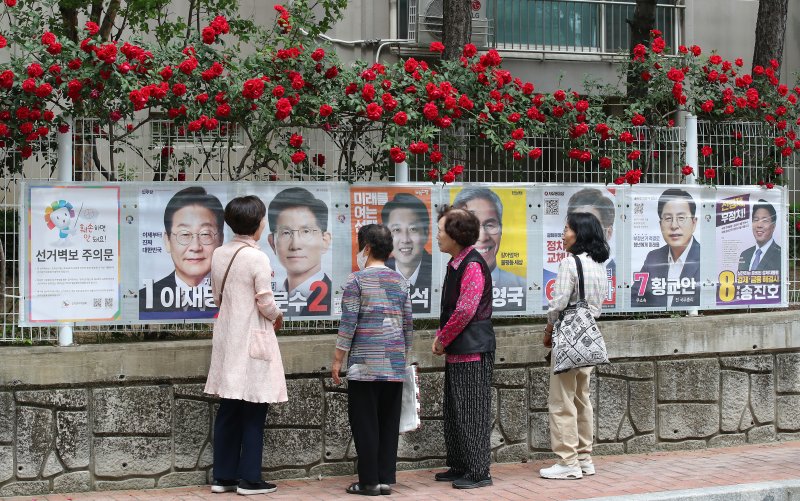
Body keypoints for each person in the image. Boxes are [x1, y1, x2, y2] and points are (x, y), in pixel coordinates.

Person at [204, 195, 286, 496]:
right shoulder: (258, 257)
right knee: (254, 406)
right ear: (258, 223)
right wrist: (279, 317)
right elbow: (265, 301)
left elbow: (216, 297)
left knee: (228, 407)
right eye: (263, 217)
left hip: (228, 336)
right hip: (253, 336)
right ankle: (250, 479)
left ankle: (222, 476)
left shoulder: (219, 254)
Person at [331, 224, 413, 496]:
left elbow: (348, 324)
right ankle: (384, 479)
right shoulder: (401, 281)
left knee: (365, 423)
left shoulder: (357, 281)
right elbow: (408, 326)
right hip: (394, 364)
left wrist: (337, 360)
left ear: (365, 248)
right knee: (388, 422)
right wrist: (404, 357)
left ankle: (368, 482)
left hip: (364, 366)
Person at [540, 212, 609, 480]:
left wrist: (548, 331)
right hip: (588, 338)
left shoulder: (570, 263)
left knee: (561, 400)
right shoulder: (599, 265)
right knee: (582, 399)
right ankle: (584, 458)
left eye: (567, 229)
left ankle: (568, 462)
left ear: (579, 234)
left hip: (568, 338)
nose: (563, 234)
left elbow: (558, 304)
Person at [432, 206, 495, 490]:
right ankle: (460, 464)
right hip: (460, 348)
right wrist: (443, 336)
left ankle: (479, 471)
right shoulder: (457, 262)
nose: (436, 235)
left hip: (472, 348)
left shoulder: (471, 264)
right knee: (456, 409)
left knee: (472, 411)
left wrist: (443, 338)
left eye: (441, 230)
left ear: (455, 235)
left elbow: (466, 309)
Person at [139, 186, 224, 319]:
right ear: (167, 241)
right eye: (184, 234)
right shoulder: (143, 300)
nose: (195, 247)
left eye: (205, 234)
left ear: (220, 240)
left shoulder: (232, 294)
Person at [267, 187, 332, 316]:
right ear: (272, 242)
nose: (295, 245)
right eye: (285, 233)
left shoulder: (332, 297)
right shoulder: (270, 299)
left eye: (306, 232)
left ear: (325, 241)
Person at [632, 188, 701, 308]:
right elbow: (634, 297)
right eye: (668, 218)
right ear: (660, 224)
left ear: (694, 223)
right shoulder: (653, 257)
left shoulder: (705, 257)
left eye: (681, 218)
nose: (674, 225)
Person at [452, 187, 526, 298]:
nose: (482, 237)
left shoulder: (522, 287)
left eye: (490, 225)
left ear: (501, 230)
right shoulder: (448, 281)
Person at [381, 193, 432, 313]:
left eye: (413, 229)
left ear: (426, 233)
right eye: (396, 230)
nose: (405, 239)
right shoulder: (380, 272)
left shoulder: (438, 271)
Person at [738, 200, 781, 275]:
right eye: (756, 220)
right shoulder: (744, 254)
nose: (759, 225)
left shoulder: (780, 254)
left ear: (773, 226)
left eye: (765, 220)